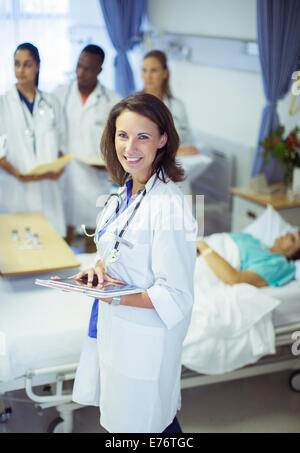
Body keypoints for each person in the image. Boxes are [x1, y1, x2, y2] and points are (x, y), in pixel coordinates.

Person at [70, 93, 197, 433]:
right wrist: (99, 269)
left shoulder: (169, 205)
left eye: (143, 136)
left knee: (146, 423)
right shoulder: (125, 191)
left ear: (162, 139)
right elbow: (112, 248)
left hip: (146, 341)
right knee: (129, 422)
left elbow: (176, 295)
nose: (130, 147)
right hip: (118, 330)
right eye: (123, 135)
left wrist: (112, 295)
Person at [54, 44, 122, 252]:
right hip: (64, 176)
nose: (81, 73)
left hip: (95, 177)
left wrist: (112, 163)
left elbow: (119, 140)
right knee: (61, 232)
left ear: (99, 70)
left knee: (94, 236)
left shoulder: (112, 101)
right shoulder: (59, 95)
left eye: (88, 69)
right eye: (79, 66)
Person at [0, 43, 66, 237]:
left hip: (48, 189)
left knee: (52, 251)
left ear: (37, 66)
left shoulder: (52, 102)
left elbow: (62, 144)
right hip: (15, 190)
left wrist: (58, 168)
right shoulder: (3, 103)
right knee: (20, 253)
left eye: (27, 64)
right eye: (17, 64)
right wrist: (19, 175)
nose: (20, 70)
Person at [141, 49, 198, 156]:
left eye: (153, 70)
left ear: (165, 73)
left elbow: (188, 142)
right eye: (144, 70)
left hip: (174, 165)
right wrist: (175, 152)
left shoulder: (178, 106)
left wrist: (186, 150)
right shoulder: (133, 106)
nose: (148, 76)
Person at [196, 229, 300, 288]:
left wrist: (202, 246)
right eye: (291, 232)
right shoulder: (253, 239)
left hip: (204, 259)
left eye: (293, 239)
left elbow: (233, 278)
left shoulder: (278, 264)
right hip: (199, 249)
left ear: (293, 253)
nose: (287, 234)